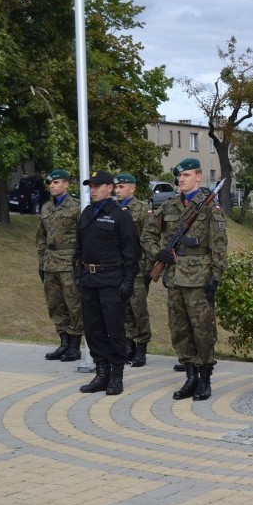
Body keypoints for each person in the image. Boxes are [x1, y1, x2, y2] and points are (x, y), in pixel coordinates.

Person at [142, 158, 227, 401]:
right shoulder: (169, 206)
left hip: (199, 279)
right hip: (175, 278)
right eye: (179, 176)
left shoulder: (210, 207)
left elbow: (219, 246)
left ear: (199, 177)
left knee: (202, 329)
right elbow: (147, 234)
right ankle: (190, 376)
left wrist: (216, 277)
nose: (181, 180)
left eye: (187, 175)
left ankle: (205, 379)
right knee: (179, 329)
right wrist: (156, 254)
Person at [74, 171, 141, 395]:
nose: (93, 189)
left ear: (110, 188)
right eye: (90, 186)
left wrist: (128, 281)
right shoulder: (86, 213)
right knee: (93, 330)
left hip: (112, 281)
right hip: (89, 280)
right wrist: (78, 274)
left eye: (97, 185)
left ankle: (117, 376)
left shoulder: (119, 215)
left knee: (114, 330)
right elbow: (79, 247)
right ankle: (101, 373)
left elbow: (131, 251)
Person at [36, 169, 83, 361]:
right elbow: (41, 236)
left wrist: (80, 262)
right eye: (50, 183)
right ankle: (63, 343)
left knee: (74, 305)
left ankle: (75, 346)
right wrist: (41, 259)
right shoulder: (46, 207)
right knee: (54, 304)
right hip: (50, 263)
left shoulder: (77, 207)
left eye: (56, 183)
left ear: (66, 184)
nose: (52, 186)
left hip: (69, 263)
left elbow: (84, 236)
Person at [114, 173, 153, 367]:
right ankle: (128, 344)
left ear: (132, 189)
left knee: (138, 309)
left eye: (121, 187)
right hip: (118, 267)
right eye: (116, 187)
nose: (117, 190)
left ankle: (141, 348)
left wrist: (147, 268)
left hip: (136, 267)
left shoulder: (141, 210)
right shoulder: (114, 209)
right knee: (124, 308)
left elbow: (148, 240)